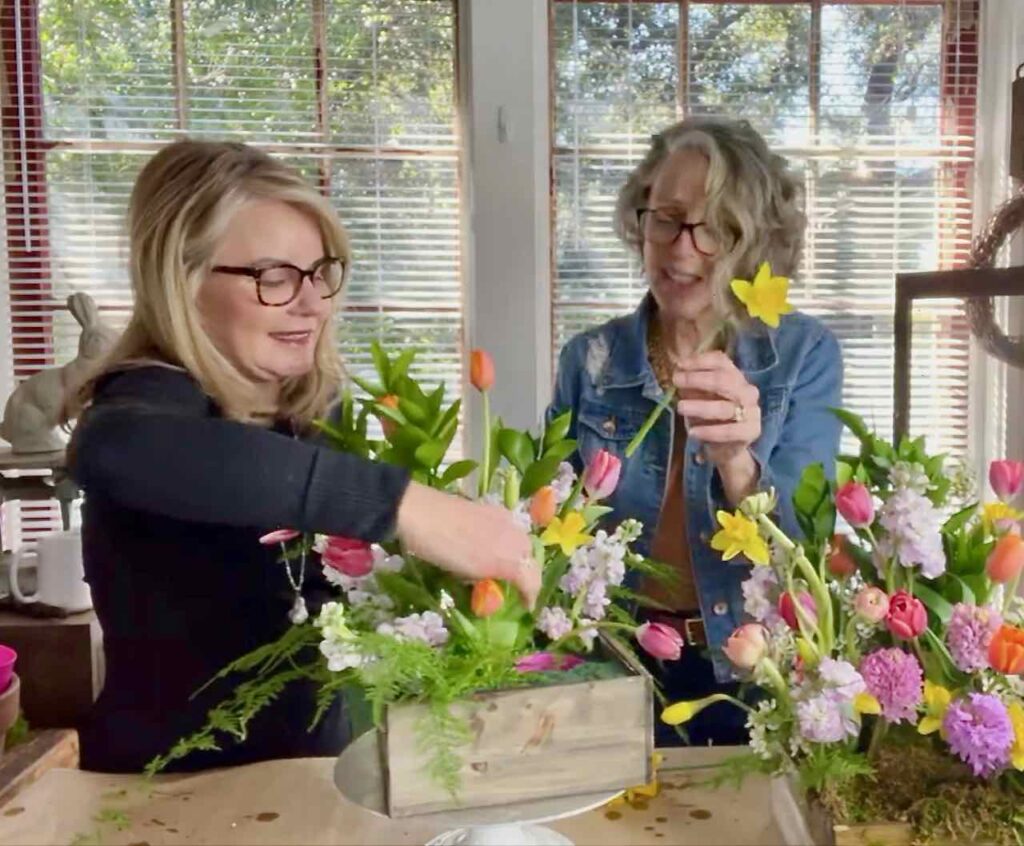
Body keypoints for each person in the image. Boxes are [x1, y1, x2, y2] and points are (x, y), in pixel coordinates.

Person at [66, 139, 540, 773]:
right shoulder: (150, 396)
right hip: (165, 797)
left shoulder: (312, 408)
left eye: (319, 272)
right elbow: (114, 448)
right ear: (182, 279)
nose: (312, 302)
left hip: (309, 784)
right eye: (273, 277)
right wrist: (406, 508)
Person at [547, 117, 843, 746]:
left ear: (756, 241)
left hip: (751, 668)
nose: (685, 250)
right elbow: (551, 535)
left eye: (717, 228)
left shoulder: (802, 356)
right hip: (611, 666)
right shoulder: (589, 361)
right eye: (668, 219)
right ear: (640, 220)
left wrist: (737, 459)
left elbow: (804, 546)